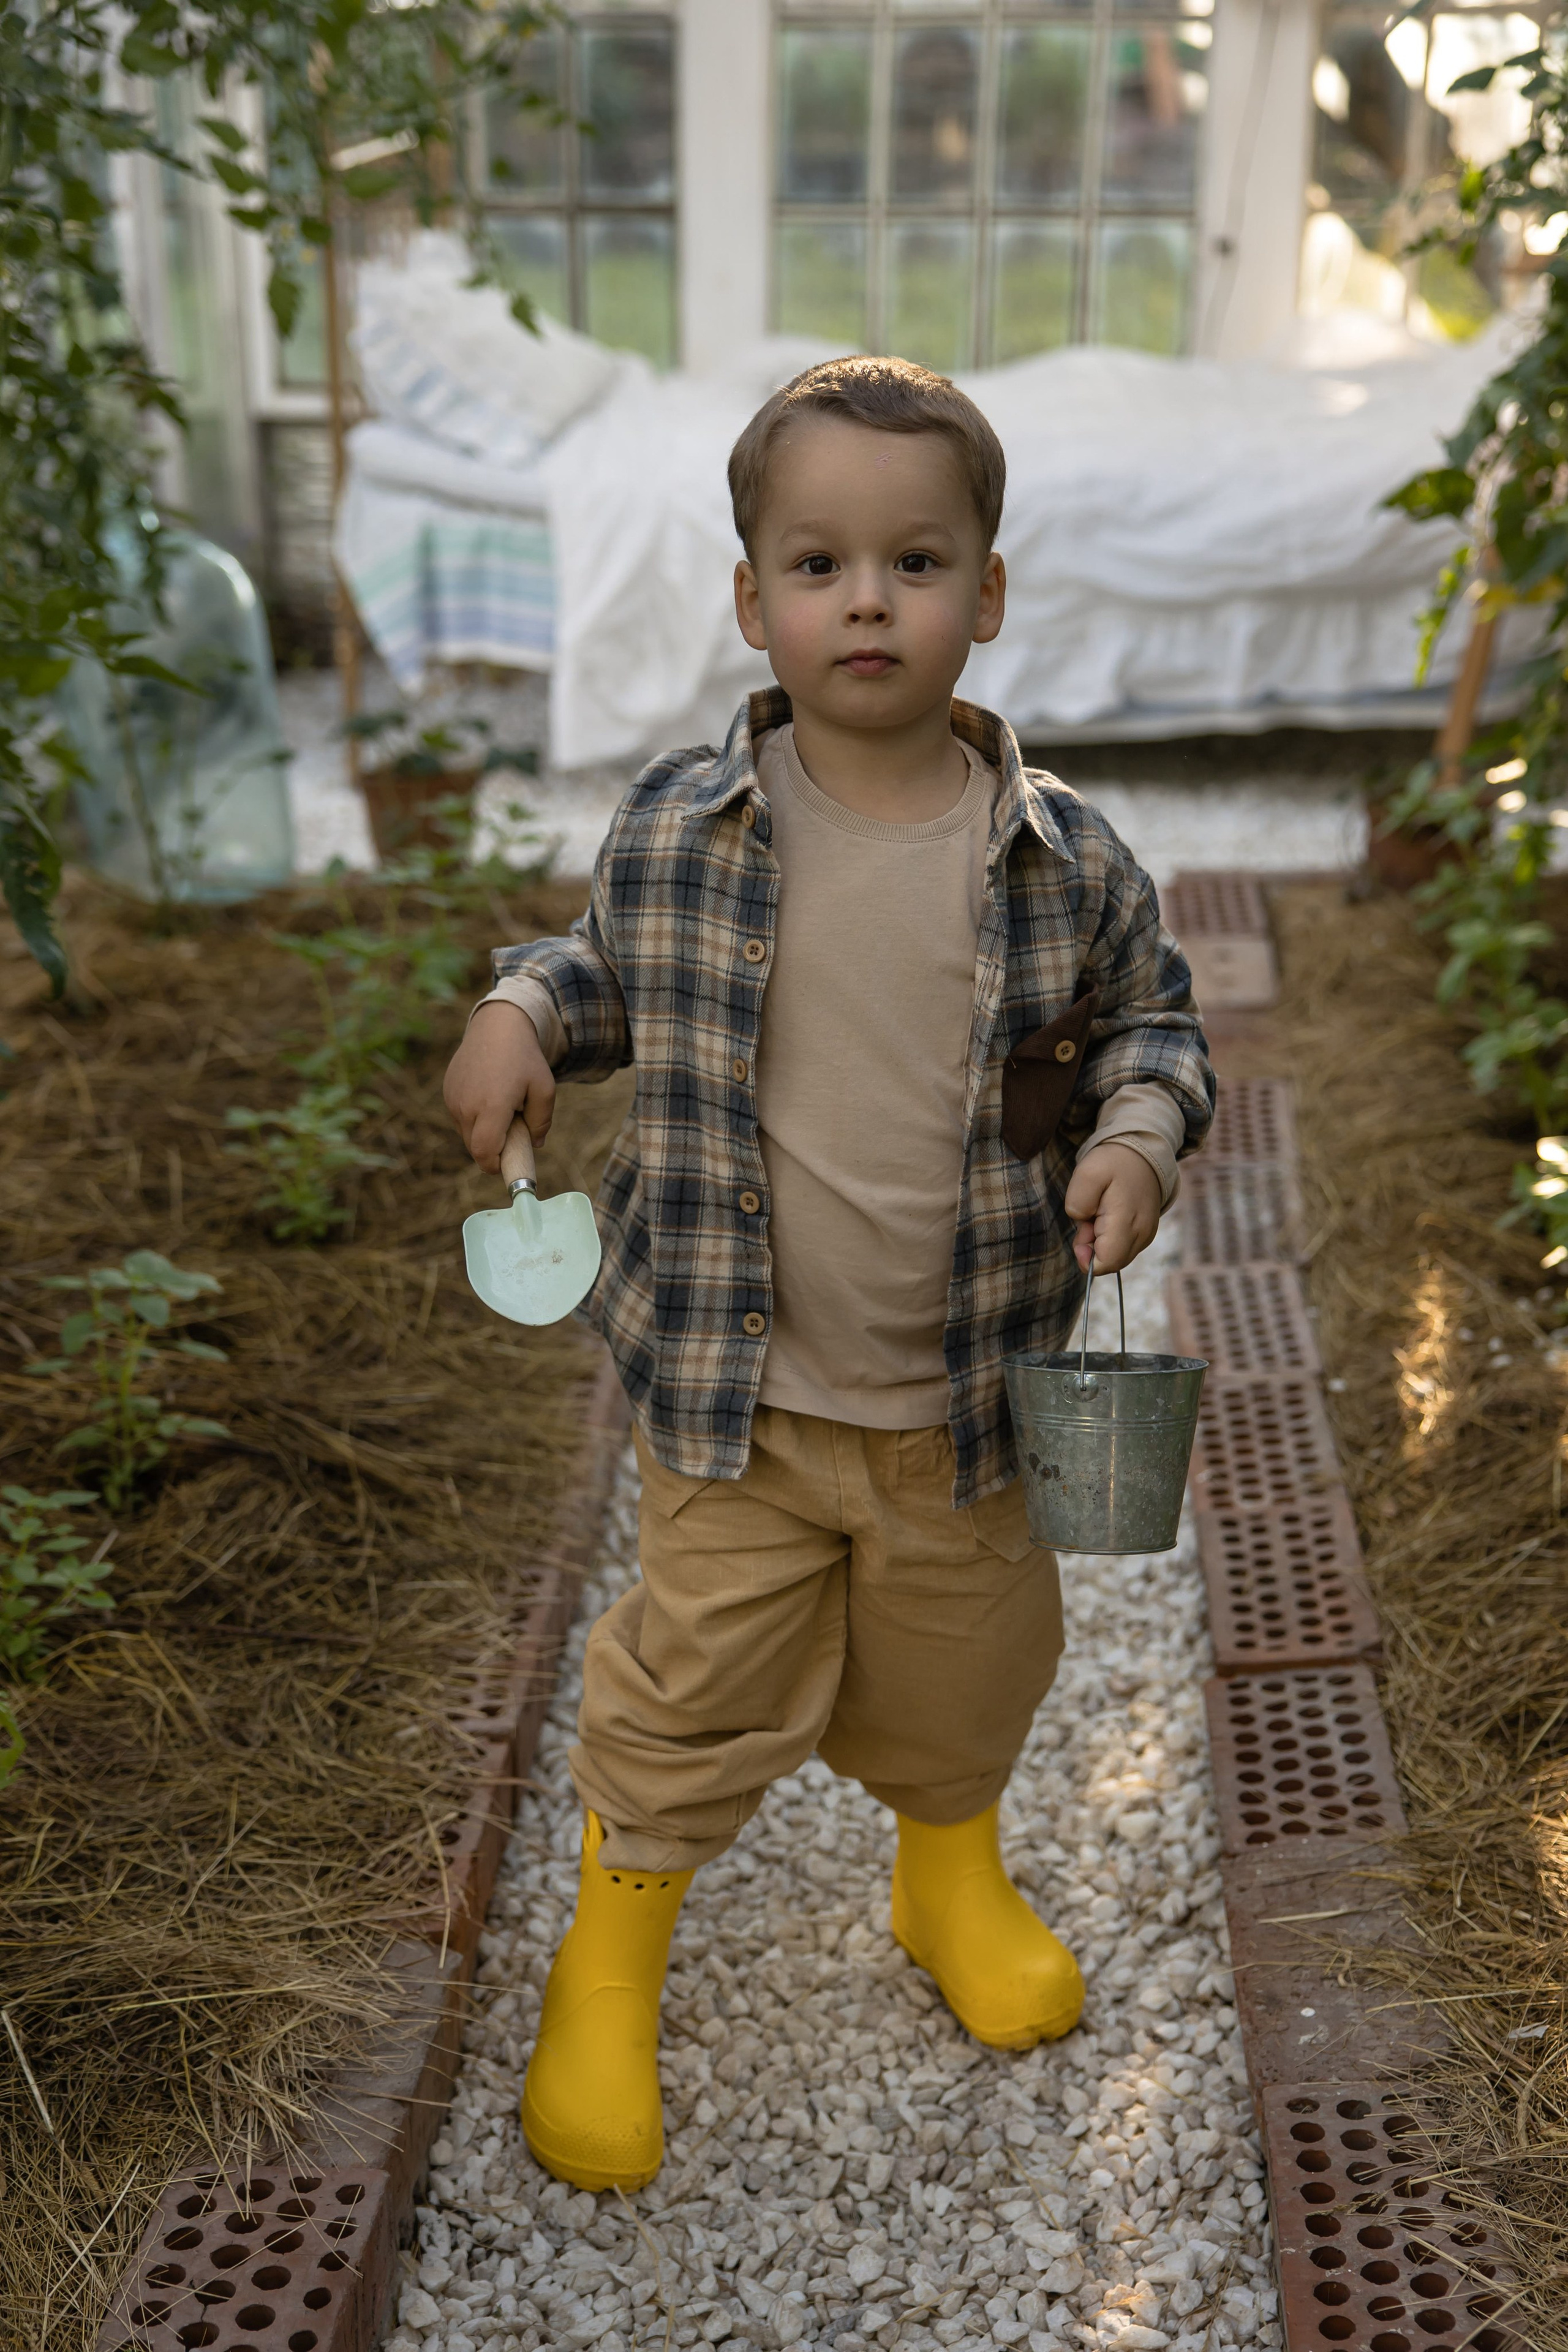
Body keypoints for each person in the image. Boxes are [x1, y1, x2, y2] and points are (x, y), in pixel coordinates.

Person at [443, 355, 1213, 2194]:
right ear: (752, 599)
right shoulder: (688, 829)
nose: (867, 600)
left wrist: (1135, 1141)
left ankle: (947, 1877)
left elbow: (1156, 1031)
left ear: (988, 597)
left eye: (917, 562)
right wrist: (518, 1011)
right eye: (819, 565)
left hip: (959, 1398)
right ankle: (611, 1960)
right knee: (690, 1682)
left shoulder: (1060, 858)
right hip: (742, 1394)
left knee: (969, 1671)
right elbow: (598, 966)